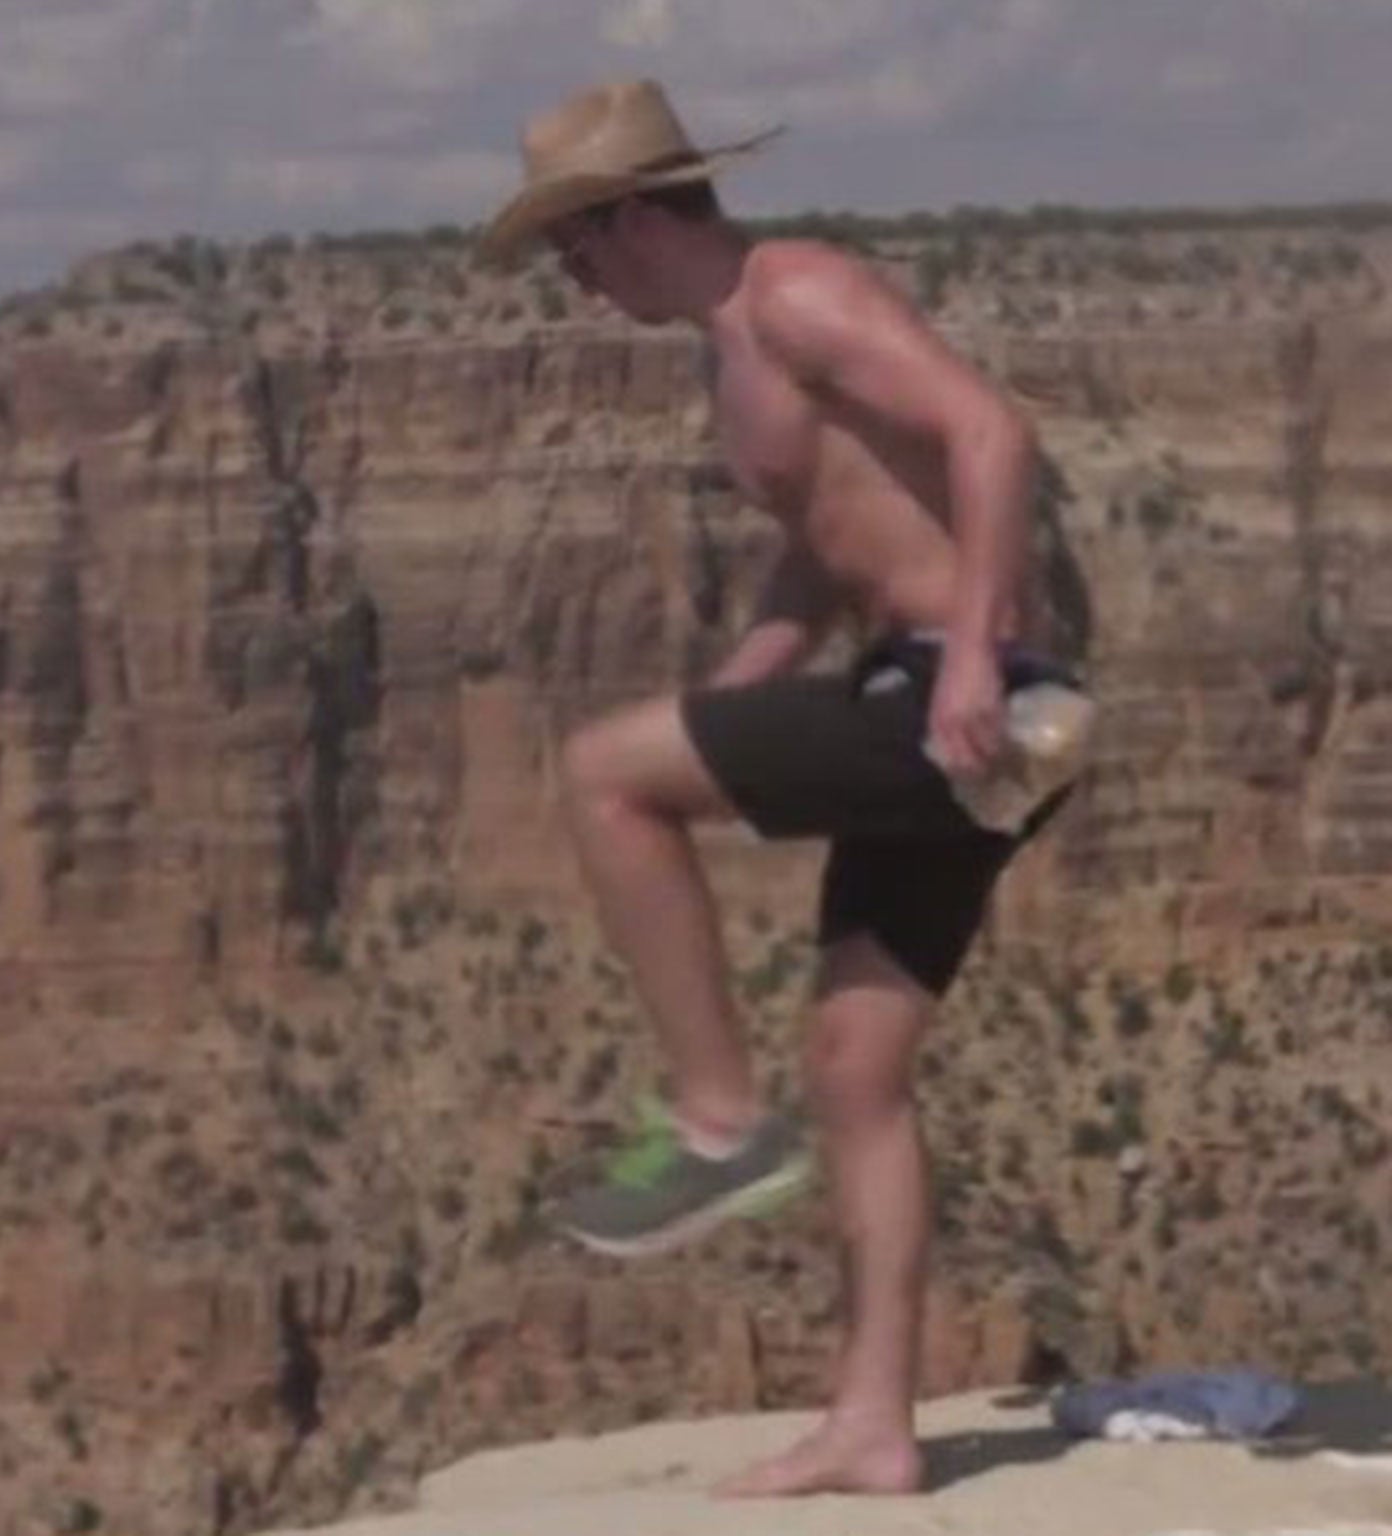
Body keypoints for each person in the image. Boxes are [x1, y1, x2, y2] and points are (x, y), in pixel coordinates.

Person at [475, 78, 1091, 1498]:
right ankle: (875, 1422)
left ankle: (712, 1120)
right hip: (936, 699)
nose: (571, 280)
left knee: (602, 778)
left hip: (973, 696)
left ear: (633, 214)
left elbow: (991, 434)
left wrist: (973, 659)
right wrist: (751, 677)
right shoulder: (731, 351)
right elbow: (827, 546)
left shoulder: (797, 292)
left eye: (574, 248)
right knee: (857, 1071)